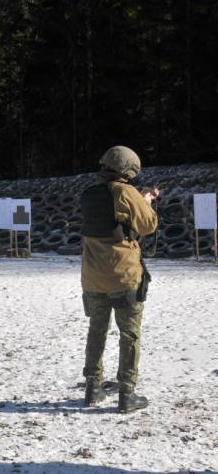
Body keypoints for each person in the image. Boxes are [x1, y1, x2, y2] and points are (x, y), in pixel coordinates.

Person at [80, 146, 159, 413]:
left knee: (97, 331)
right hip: (123, 276)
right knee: (130, 335)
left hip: (92, 277)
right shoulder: (125, 192)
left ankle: (93, 389)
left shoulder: (89, 193)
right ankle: (127, 394)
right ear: (128, 169)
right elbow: (148, 225)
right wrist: (145, 201)